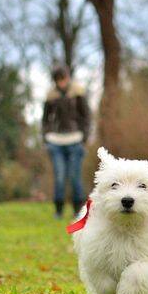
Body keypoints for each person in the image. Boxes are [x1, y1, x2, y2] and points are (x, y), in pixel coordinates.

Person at [42, 66, 91, 218]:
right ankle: (58, 210)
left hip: (75, 140)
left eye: (63, 78)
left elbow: (86, 116)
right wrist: (46, 137)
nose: (61, 82)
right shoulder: (50, 97)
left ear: (68, 78)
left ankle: (78, 210)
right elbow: (45, 119)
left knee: (75, 176)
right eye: (58, 80)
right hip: (55, 142)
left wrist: (84, 137)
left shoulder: (78, 93)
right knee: (59, 176)